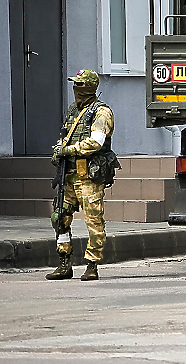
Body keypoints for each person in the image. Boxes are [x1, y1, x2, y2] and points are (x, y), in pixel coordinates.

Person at [46, 69, 115, 281]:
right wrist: (59, 150)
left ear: (91, 87)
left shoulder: (101, 113)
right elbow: (65, 136)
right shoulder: (73, 111)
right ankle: (64, 262)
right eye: (75, 84)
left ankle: (92, 264)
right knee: (59, 218)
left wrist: (69, 150)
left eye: (81, 84)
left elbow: (96, 142)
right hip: (68, 174)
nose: (76, 88)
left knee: (93, 221)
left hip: (89, 177)